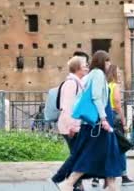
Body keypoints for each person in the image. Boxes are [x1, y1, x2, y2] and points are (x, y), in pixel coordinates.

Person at [54, 50, 125, 191]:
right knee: (92, 155)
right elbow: (96, 98)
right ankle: (68, 183)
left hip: (95, 123)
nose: (109, 63)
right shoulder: (98, 74)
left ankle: (110, 185)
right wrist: (104, 119)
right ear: (101, 61)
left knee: (105, 155)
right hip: (100, 123)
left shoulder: (90, 75)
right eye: (107, 60)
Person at [52, 56, 87, 191]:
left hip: (73, 125)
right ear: (77, 67)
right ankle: (58, 179)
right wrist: (72, 126)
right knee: (77, 155)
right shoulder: (71, 83)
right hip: (70, 126)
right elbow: (67, 107)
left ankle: (76, 184)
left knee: (77, 154)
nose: (86, 67)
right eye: (84, 65)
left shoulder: (77, 82)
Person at [107, 64, 134, 186]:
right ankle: (124, 176)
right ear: (113, 73)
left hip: (107, 117)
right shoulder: (114, 86)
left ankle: (99, 177)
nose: (119, 74)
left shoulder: (106, 86)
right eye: (117, 72)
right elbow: (118, 104)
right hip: (115, 117)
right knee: (121, 146)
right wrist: (124, 120)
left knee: (108, 147)